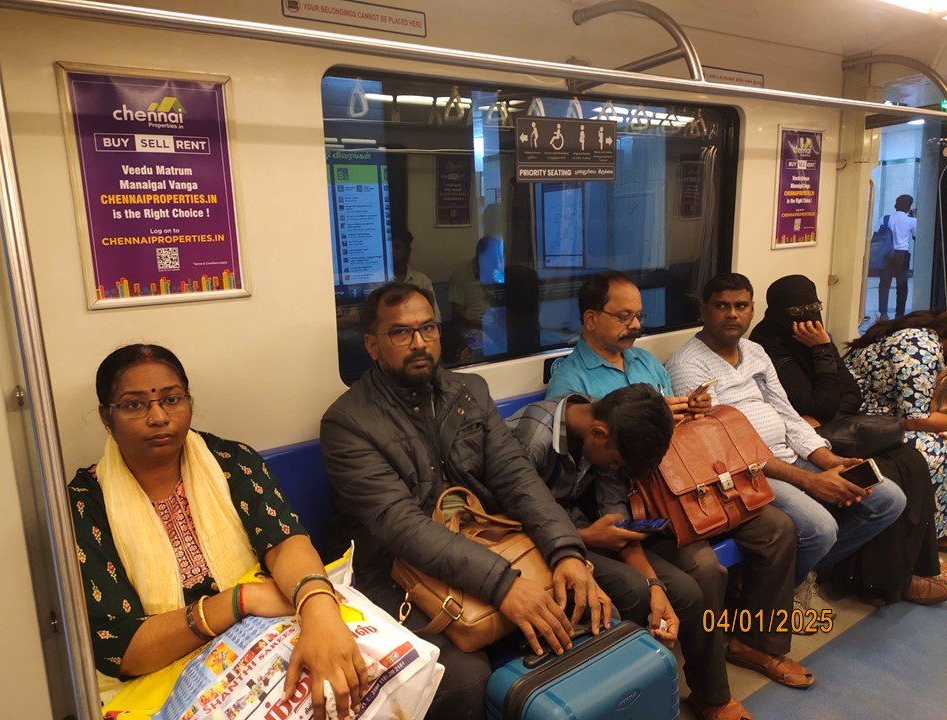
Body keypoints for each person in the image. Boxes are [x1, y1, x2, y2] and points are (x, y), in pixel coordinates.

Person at [320, 282, 611, 720]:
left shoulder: (469, 391)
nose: (419, 343)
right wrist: (504, 585)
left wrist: (565, 550)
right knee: (465, 677)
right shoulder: (347, 423)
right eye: (400, 333)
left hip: (485, 540)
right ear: (373, 346)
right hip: (393, 571)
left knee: (603, 591)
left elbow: (518, 478)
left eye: (428, 328)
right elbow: (403, 527)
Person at [69, 345, 365, 718]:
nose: (158, 417)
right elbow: (122, 649)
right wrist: (241, 601)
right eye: (134, 405)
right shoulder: (85, 503)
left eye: (171, 399)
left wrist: (318, 607)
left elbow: (284, 542)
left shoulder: (231, 462)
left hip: (258, 638)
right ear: (106, 416)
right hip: (160, 678)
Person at [509, 384, 806, 719]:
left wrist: (655, 585)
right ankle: (625, 702)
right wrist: (586, 536)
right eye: (617, 462)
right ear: (598, 434)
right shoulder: (534, 439)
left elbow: (615, 515)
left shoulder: (610, 432)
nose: (614, 467)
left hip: (581, 528)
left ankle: (711, 697)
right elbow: (506, 521)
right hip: (530, 541)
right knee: (635, 589)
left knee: (686, 593)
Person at [666, 273, 906, 617]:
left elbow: (788, 415)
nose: (732, 314)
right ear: (704, 311)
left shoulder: (755, 351)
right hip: (746, 474)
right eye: (721, 306)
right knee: (821, 530)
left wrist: (830, 461)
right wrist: (811, 481)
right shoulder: (689, 364)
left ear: (752, 311)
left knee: (888, 499)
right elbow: (721, 447)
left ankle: (793, 579)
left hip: (788, 456)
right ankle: (771, 598)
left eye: (740, 306)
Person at [751, 275, 945, 604]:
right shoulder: (770, 347)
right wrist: (821, 351)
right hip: (805, 438)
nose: (808, 317)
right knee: (886, 470)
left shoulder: (815, 339)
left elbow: (850, 394)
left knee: (910, 459)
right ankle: (886, 579)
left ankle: (915, 564)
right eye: (797, 311)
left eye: (814, 306)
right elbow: (818, 405)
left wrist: (823, 355)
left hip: (834, 429)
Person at [546, 271, 711, 422]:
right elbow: (584, 443)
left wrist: (687, 409)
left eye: (638, 316)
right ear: (591, 320)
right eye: (624, 317)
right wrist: (650, 420)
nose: (636, 325)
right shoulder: (569, 382)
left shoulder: (647, 361)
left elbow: (673, 421)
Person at [845, 309, 947, 543]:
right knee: (935, 449)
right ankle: (927, 539)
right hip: (865, 423)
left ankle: (934, 536)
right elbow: (915, 418)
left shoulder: (929, 338)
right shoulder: (918, 344)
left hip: (890, 419)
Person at [878, 194, 916, 319]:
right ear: (909, 207)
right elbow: (915, 236)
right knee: (902, 286)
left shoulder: (885, 218)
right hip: (902, 255)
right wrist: (912, 217)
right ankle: (899, 314)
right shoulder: (912, 221)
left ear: (896, 204)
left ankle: (883, 313)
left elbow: (876, 234)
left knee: (884, 284)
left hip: (886, 254)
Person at [391, 228, 441, 319]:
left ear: (407, 251)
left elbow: (435, 316)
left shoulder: (422, 280)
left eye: (397, 247)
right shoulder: (376, 280)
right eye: (388, 248)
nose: (392, 252)